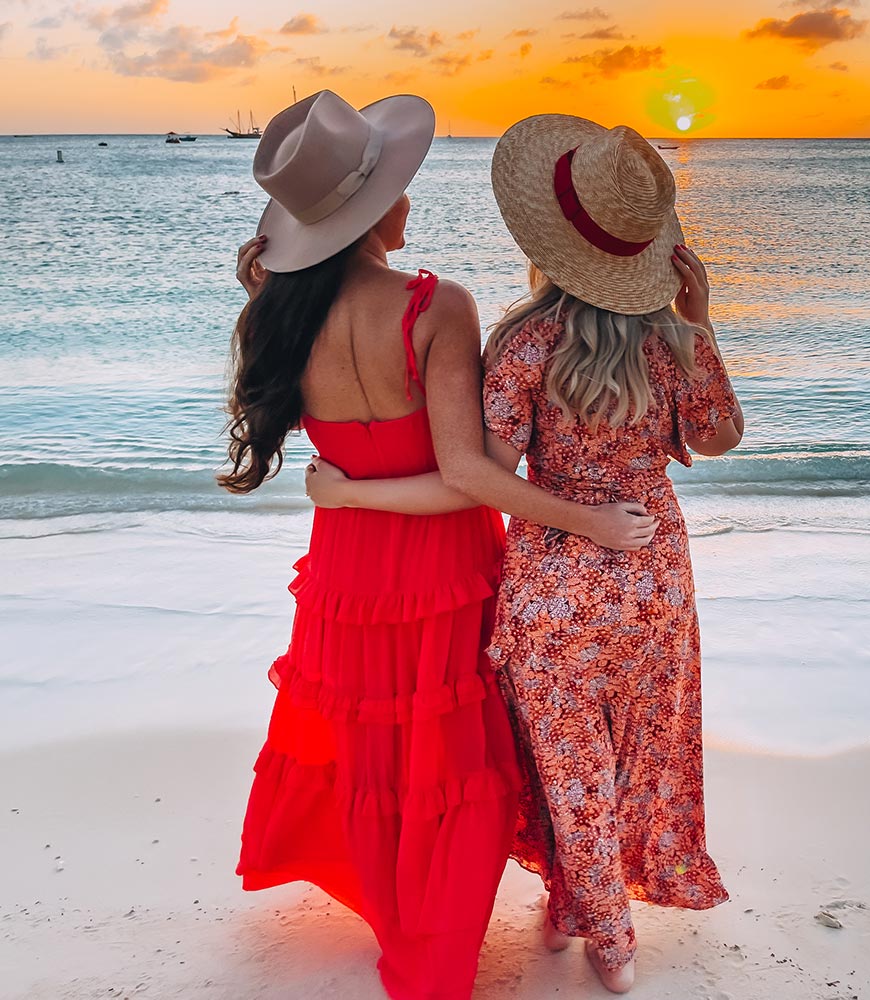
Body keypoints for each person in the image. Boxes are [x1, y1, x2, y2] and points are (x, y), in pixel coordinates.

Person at [223, 92, 655, 1000]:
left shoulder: (278, 314)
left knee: (378, 754)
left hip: (347, 566)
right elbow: (469, 472)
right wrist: (594, 523)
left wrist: (345, 490)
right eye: (399, 185)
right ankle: (437, 946)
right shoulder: (433, 305)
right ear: (373, 210)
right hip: (443, 569)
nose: (409, 199)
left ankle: (399, 919)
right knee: (449, 762)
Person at [305, 114, 743, 993]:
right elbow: (722, 436)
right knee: (638, 749)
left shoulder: (522, 345)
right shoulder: (672, 342)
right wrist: (702, 324)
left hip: (549, 584)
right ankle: (600, 920)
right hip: (653, 576)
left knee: (563, 758)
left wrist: (354, 487)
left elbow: (481, 474)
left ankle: (587, 920)